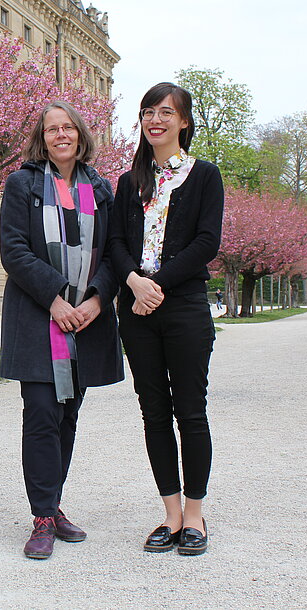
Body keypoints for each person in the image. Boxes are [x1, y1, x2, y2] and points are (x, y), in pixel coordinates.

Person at [0, 100, 124, 560]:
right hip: (38, 317)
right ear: (42, 137)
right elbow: (14, 250)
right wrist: (55, 300)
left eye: (68, 127)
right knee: (41, 416)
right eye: (52, 129)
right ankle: (42, 518)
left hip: (87, 321)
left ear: (80, 134)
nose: (61, 134)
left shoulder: (101, 189)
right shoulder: (22, 184)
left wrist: (94, 300)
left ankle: (53, 504)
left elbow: (114, 252)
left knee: (68, 417)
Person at [110, 82, 224, 556]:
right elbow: (114, 243)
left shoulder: (204, 176)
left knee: (190, 412)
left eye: (166, 112)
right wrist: (135, 283)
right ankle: (170, 514)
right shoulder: (128, 182)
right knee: (153, 413)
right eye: (148, 112)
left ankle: (195, 517)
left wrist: (158, 285)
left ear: (183, 122)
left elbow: (206, 242)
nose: (155, 120)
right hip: (135, 310)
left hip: (183, 308)